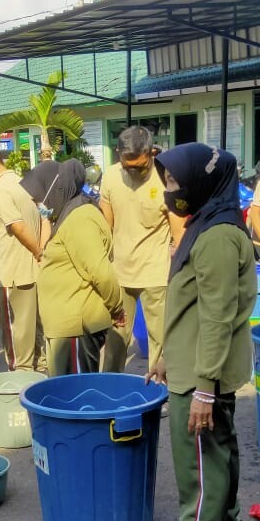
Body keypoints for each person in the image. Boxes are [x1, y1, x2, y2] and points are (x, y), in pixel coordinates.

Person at [145, 144, 258, 521]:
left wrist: (204, 389)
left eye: (175, 182)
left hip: (202, 373)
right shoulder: (212, 225)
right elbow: (189, 307)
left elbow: (216, 317)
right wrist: (164, 358)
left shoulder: (215, 238)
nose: (169, 192)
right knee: (219, 458)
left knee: (199, 469)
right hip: (192, 363)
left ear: (204, 181)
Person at [25, 159, 126, 376]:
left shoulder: (80, 218)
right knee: (66, 397)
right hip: (66, 327)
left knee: (77, 399)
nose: (39, 205)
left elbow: (101, 272)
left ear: (56, 189)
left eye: (40, 198)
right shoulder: (68, 214)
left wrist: (117, 308)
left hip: (76, 328)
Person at [99, 126, 185, 367]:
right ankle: (110, 390)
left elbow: (179, 231)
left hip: (155, 273)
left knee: (160, 339)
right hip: (120, 273)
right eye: (128, 164)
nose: (134, 169)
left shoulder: (166, 177)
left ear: (151, 153)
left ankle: (157, 391)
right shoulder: (111, 176)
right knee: (116, 337)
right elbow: (105, 226)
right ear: (118, 154)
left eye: (140, 165)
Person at [0, 148, 46, 372]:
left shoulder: (1, 190)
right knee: (36, 339)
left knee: (16, 344)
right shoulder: (22, 183)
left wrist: (37, 251)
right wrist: (41, 253)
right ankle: (41, 384)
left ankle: (19, 392)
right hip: (34, 274)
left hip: (12, 276)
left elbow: (17, 226)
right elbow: (44, 219)